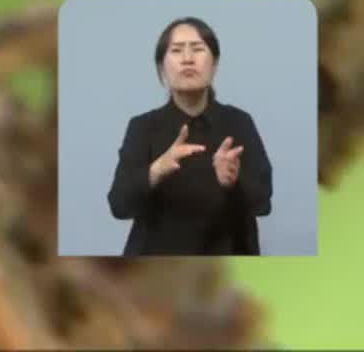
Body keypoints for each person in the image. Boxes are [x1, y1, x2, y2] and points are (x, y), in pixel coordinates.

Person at [106, 16, 274, 255]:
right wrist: (156, 169)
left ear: (214, 64)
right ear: (162, 67)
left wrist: (233, 182)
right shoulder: (143, 127)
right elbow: (119, 206)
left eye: (197, 49)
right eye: (176, 51)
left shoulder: (239, 122)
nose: (187, 59)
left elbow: (262, 204)